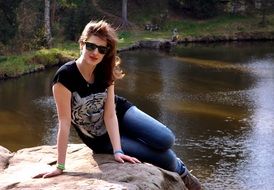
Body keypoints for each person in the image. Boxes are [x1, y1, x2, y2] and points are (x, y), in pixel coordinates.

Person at [34, 20, 201, 190]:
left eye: (102, 49)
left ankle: (162, 156)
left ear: (106, 52)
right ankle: (182, 172)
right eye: (91, 46)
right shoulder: (65, 77)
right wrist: (60, 166)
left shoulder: (105, 70)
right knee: (166, 158)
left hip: (119, 113)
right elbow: (64, 122)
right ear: (82, 44)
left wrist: (118, 150)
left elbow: (110, 114)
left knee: (167, 139)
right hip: (99, 137)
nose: (95, 52)